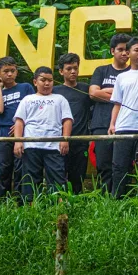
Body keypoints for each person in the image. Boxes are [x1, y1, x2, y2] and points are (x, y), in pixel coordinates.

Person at [14, 67, 73, 202]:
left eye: (50, 80)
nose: (47, 83)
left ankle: (58, 209)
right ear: (35, 82)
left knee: (57, 178)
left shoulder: (60, 99)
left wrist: (65, 139)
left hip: (53, 146)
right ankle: (30, 209)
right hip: (31, 145)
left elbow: (67, 120)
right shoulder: (28, 99)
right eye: (43, 80)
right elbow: (19, 121)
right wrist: (18, 141)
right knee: (30, 179)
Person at [88, 33, 131, 192]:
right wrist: (120, 95)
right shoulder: (101, 71)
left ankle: (120, 197)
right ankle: (105, 198)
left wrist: (105, 92)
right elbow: (93, 93)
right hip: (100, 123)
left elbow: (133, 97)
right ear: (112, 51)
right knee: (103, 164)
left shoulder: (132, 73)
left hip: (125, 124)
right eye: (120, 49)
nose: (124, 53)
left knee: (123, 164)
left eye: (127, 50)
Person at [108, 37, 138, 199]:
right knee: (119, 166)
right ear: (128, 53)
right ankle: (116, 201)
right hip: (123, 126)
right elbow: (117, 103)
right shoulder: (122, 77)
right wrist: (112, 124)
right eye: (136, 50)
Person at [0, 56, 34, 198]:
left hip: (22, 132)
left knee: (20, 168)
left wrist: (20, 125)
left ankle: (19, 201)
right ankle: (1, 202)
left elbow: (33, 109)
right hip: (4, 132)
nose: (9, 74)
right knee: (4, 168)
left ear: (16, 72)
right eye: (5, 71)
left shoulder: (25, 87)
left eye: (12, 70)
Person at [53, 53, 92, 194]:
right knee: (59, 175)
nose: (73, 71)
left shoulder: (86, 89)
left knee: (78, 177)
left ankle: (76, 205)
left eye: (75, 68)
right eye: (69, 68)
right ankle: (60, 204)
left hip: (81, 140)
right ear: (61, 71)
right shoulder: (54, 91)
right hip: (59, 140)